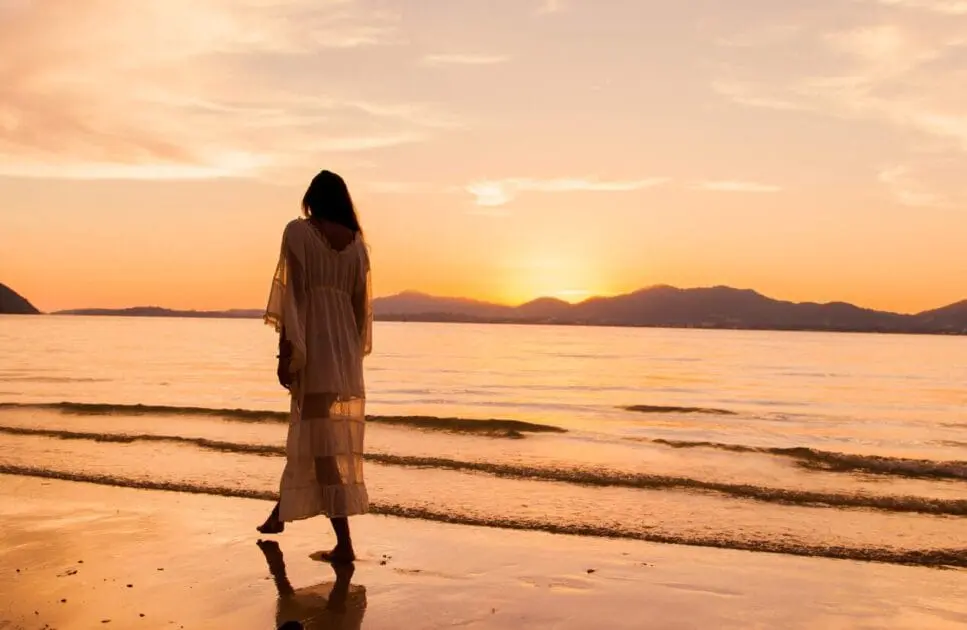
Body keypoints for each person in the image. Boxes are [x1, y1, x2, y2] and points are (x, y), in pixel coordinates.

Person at [258, 170, 373, 564]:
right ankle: (280, 513)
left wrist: (286, 351)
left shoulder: (298, 233)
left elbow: (292, 298)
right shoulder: (358, 247)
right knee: (315, 440)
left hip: (317, 349)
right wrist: (350, 356)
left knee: (320, 447)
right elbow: (360, 313)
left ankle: (343, 543)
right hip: (342, 354)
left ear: (312, 198)